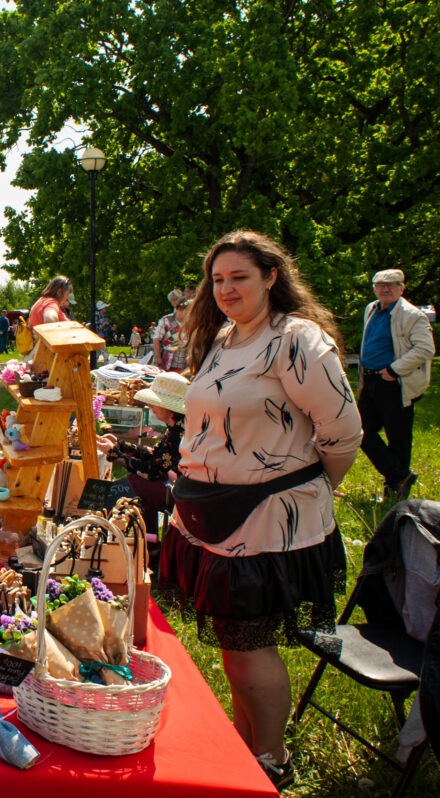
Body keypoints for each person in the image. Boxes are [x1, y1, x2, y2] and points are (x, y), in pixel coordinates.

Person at [160, 230, 362, 790]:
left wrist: (307, 489)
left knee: (250, 649)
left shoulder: (297, 340)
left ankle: (269, 760)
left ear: (272, 276)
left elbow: (343, 433)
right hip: (213, 512)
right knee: (235, 644)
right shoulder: (227, 337)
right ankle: (242, 743)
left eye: (239, 277)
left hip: (266, 520)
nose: (225, 289)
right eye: (217, 279)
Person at [356, 268, 434, 501]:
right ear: (374, 288)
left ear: (402, 288)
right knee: (359, 430)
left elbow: (425, 349)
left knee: (397, 436)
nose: (385, 289)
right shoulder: (371, 309)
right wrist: (362, 381)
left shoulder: (412, 315)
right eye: (380, 285)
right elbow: (367, 345)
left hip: (395, 382)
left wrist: (393, 370)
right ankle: (399, 476)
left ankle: (394, 487)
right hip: (371, 380)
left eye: (391, 285)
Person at [97, 371, 188, 545]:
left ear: (170, 408)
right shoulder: (176, 428)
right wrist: (120, 446)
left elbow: (153, 470)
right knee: (140, 486)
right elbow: (156, 455)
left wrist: (115, 454)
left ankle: (147, 543)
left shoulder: (178, 433)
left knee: (136, 481)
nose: (151, 406)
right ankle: (149, 543)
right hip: (175, 488)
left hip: (180, 494)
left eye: (155, 403)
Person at [151, 289, 185, 370]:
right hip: (168, 360)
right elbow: (156, 340)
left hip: (184, 362)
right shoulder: (166, 319)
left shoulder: (192, 321)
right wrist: (158, 358)